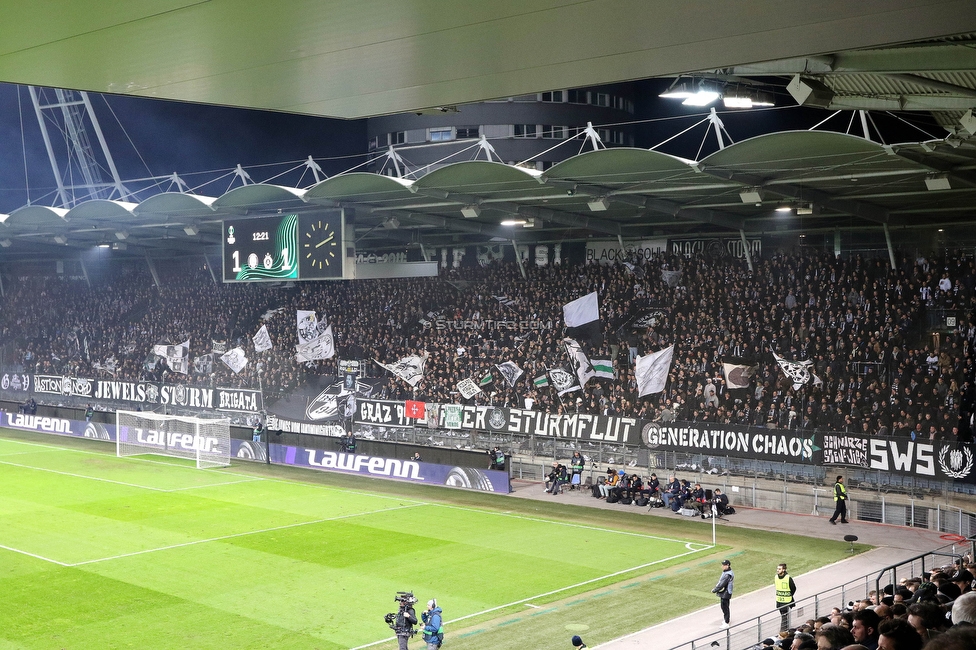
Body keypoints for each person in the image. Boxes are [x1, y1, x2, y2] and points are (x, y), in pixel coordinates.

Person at [712, 559, 735, 628]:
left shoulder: (728, 574)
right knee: (723, 606)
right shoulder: (726, 572)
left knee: (725, 607)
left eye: (724, 565)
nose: (722, 566)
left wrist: (715, 590)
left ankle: (726, 622)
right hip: (725, 591)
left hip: (726, 592)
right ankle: (726, 619)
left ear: (727, 565)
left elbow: (722, 583)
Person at [775, 563, 798, 632]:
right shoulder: (776, 577)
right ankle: (786, 628)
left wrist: (789, 595)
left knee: (784, 615)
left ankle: (783, 630)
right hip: (779, 600)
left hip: (786, 601)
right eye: (777, 569)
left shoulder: (788, 578)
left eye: (779, 569)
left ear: (784, 570)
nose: (777, 570)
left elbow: (793, 588)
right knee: (783, 615)